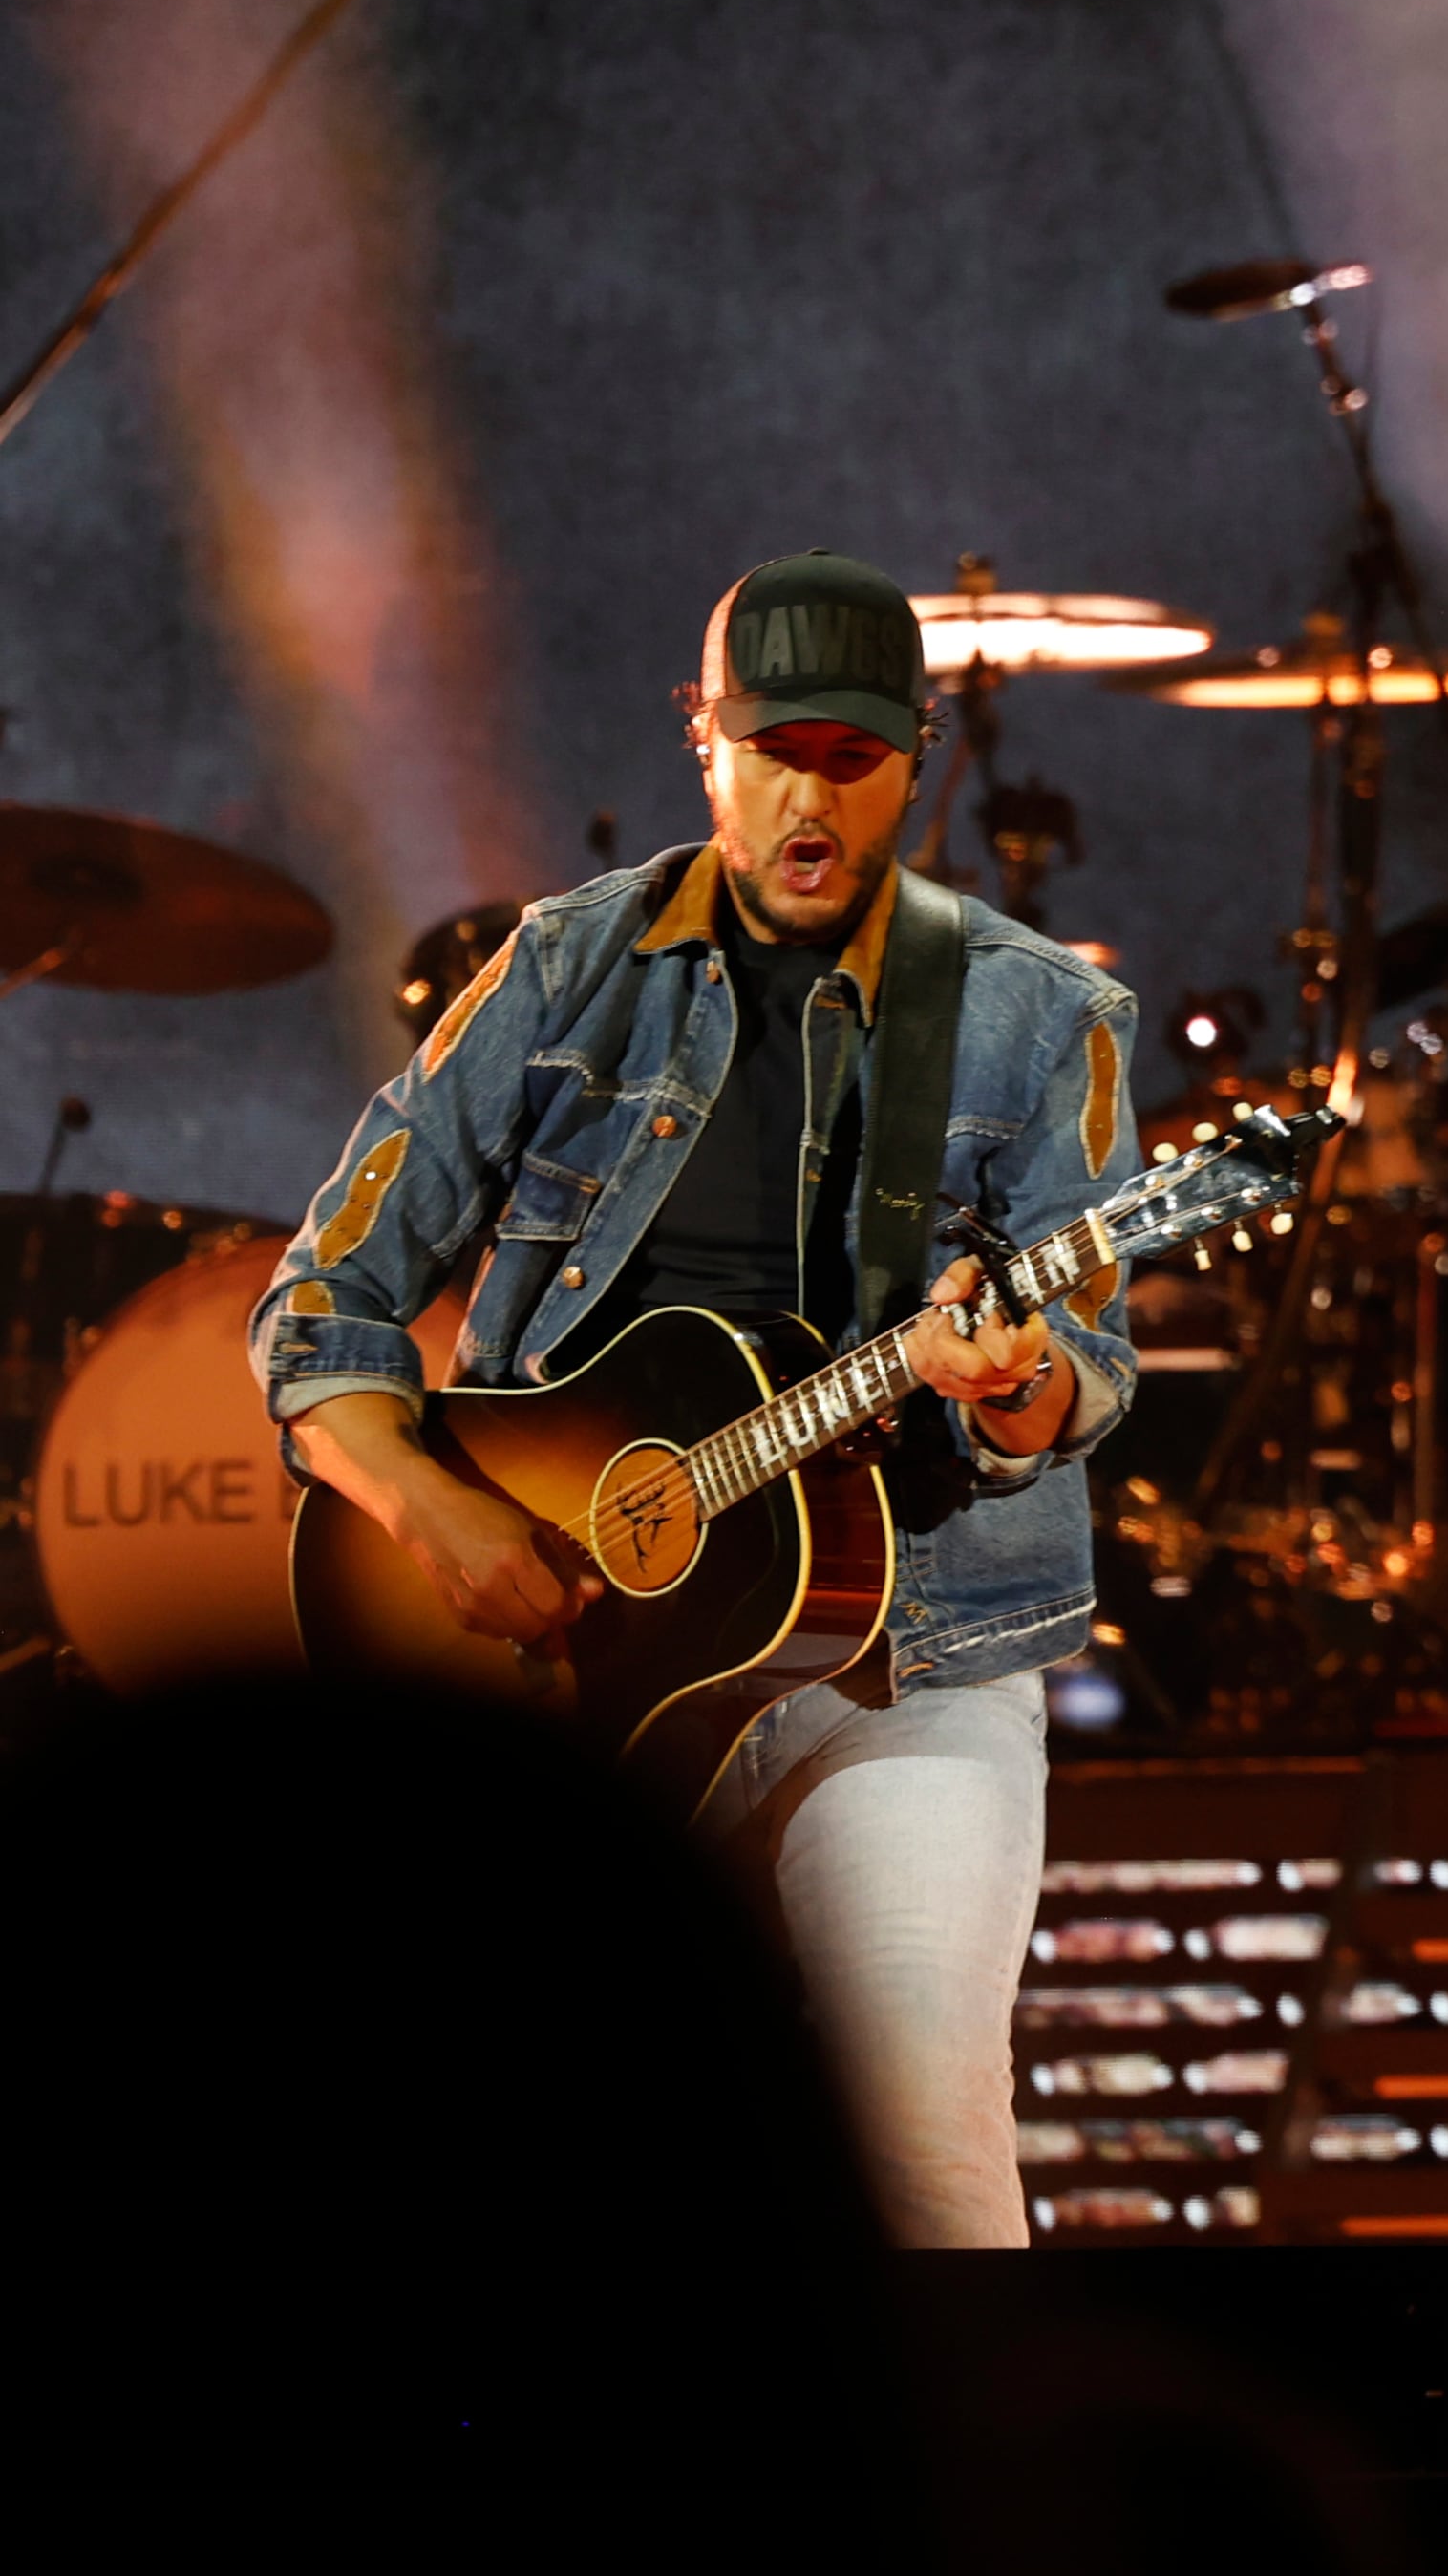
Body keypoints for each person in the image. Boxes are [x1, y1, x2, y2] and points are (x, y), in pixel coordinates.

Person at [252, 549, 1139, 2246]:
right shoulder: (563, 969)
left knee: (925, 2146)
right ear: (701, 738)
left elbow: (1080, 1370)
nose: (812, 797)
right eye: (773, 750)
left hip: (903, 1667)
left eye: (854, 757)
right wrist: (436, 1516)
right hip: (566, 1655)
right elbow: (324, 1307)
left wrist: (1015, 1378)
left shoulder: (1041, 1016)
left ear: (919, 753)